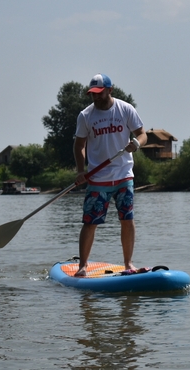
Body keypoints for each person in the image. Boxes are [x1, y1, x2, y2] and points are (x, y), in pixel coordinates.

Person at [73, 73, 147, 277]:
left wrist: (137, 143)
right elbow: (79, 145)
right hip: (98, 179)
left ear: (109, 90)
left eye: (99, 93)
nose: (95, 97)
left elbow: (143, 133)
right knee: (90, 223)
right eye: (92, 94)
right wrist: (81, 171)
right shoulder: (86, 116)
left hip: (124, 175)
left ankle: (128, 264)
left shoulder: (125, 109)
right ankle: (83, 266)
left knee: (127, 219)